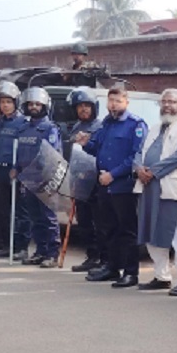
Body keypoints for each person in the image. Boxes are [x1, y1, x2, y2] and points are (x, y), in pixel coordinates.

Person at [75, 85, 146, 288]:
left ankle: (131, 273)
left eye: (117, 101)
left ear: (126, 102)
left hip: (123, 185)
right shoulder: (106, 123)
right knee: (108, 228)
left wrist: (112, 175)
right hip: (103, 184)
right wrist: (84, 143)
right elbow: (96, 147)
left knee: (127, 230)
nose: (113, 105)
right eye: (110, 101)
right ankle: (112, 267)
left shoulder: (135, 125)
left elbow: (135, 157)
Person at [136, 88, 177, 294]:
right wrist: (138, 169)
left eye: (172, 102)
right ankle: (161, 276)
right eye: (164, 102)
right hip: (149, 188)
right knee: (151, 233)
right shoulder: (153, 128)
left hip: (173, 189)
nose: (167, 105)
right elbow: (138, 151)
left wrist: (152, 171)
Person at [14, 87, 63, 267]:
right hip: (27, 179)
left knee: (48, 218)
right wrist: (15, 169)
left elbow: (51, 155)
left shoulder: (49, 129)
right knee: (35, 218)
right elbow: (19, 153)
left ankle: (52, 254)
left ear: (44, 106)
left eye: (37, 104)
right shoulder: (23, 129)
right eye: (31, 104)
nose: (34, 107)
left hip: (45, 180)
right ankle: (40, 251)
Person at [0, 82, 26, 260]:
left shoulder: (23, 122)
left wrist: (19, 168)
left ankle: (19, 247)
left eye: (8, 102)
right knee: (1, 209)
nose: (5, 105)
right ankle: (4, 243)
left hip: (15, 171)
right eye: (2, 102)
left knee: (18, 211)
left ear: (15, 102)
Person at [66, 88, 105, 272]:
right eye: (80, 106)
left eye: (87, 106)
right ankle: (91, 256)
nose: (83, 110)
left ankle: (102, 258)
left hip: (96, 182)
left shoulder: (100, 127)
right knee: (84, 222)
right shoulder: (75, 128)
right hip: (80, 182)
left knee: (100, 222)